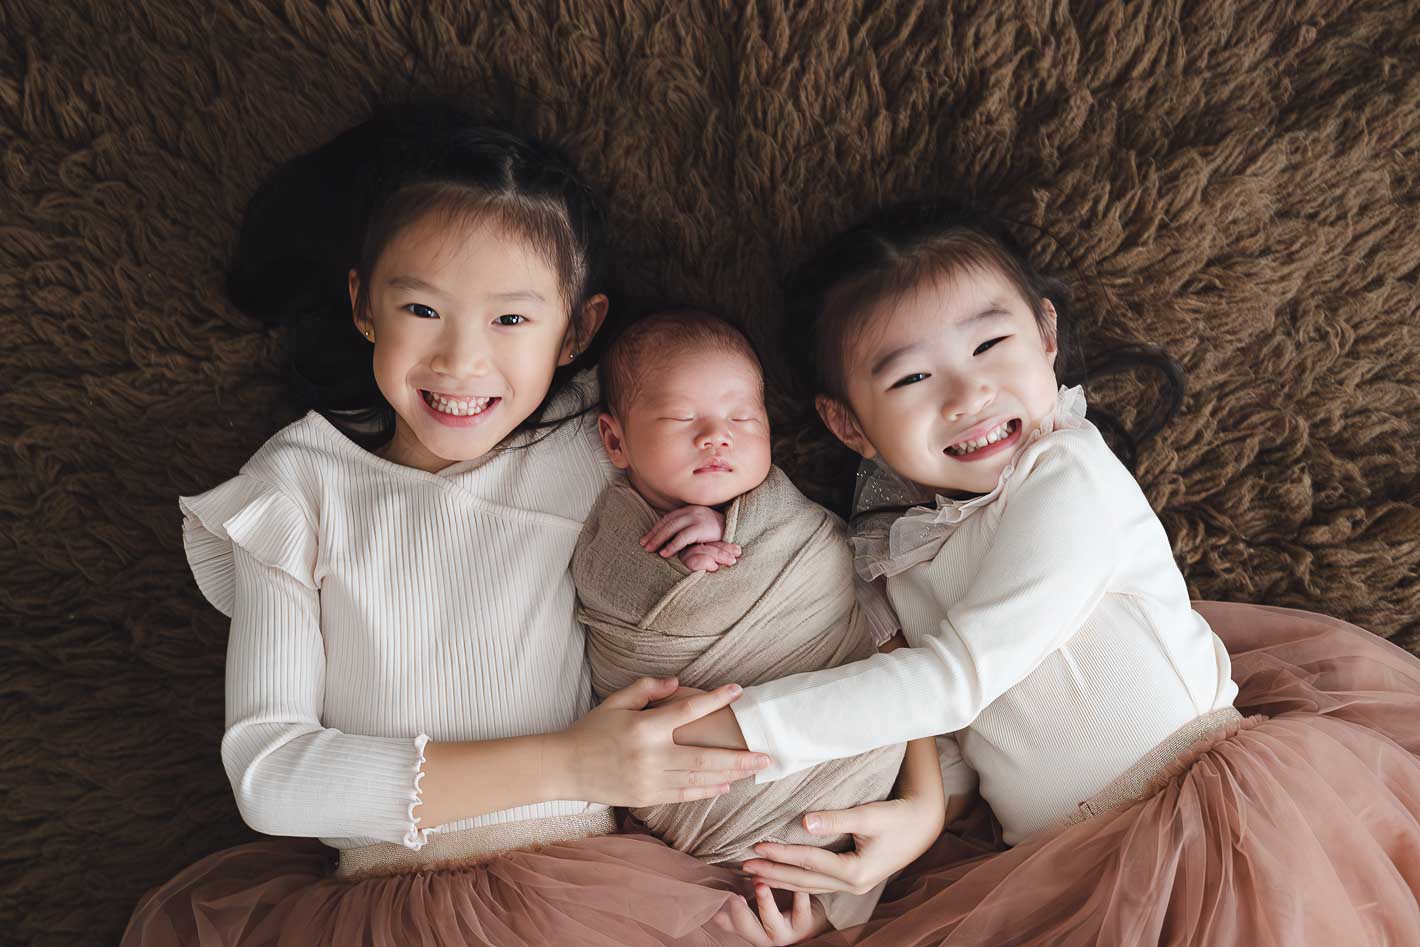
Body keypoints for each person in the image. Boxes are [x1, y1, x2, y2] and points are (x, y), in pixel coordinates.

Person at [120, 101, 796, 947]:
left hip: (601, 894)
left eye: (511, 319)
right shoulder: (297, 486)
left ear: (578, 330)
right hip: (378, 909)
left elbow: (823, 584)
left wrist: (910, 805)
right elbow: (270, 775)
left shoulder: (606, 440)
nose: (460, 361)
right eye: (421, 310)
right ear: (364, 304)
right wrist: (575, 761)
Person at [680, 199, 1420, 945]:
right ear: (849, 424)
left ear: (1045, 337)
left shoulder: (1067, 476)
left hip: (1208, 826)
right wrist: (857, 891)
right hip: (1053, 871)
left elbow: (955, 680)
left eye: (990, 344)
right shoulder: (892, 551)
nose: (967, 395)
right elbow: (949, 744)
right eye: (911, 378)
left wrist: (725, 729)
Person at [574, 309, 949, 939]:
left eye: (742, 419)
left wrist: (733, 529)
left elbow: (869, 623)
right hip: (701, 817)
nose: (716, 437)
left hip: (859, 780)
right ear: (615, 442)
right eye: (682, 418)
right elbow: (612, 610)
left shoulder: (797, 527)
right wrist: (677, 574)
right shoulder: (607, 538)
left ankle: (819, 910)